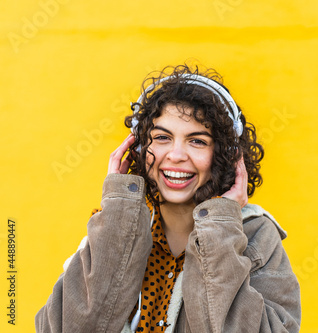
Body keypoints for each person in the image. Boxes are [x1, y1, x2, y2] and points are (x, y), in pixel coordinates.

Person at [35, 64, 301, 332]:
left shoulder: (256, 236)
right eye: (162, 137)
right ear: (138, 148)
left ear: (225, 154)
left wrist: (220, 229)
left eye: (197, 141)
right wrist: (118, 208)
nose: (175, 155)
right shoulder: (114, 226)